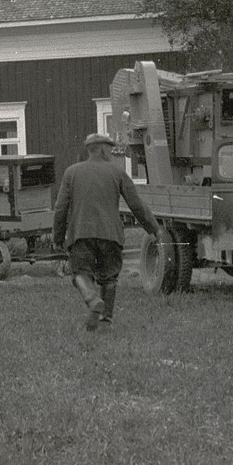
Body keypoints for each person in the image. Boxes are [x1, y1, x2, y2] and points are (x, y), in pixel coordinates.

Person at [53, 133, 161, 331]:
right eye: (109, 149)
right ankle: (105, 321)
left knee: (80, 272)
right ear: (102, 150)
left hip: (80, 234)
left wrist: (58, 236)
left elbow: (61, 208)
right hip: (110, 234)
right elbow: (136, 205)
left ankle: (92, 299)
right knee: (109, 278)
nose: (111, 152)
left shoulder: (71, 172)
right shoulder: (117, 172)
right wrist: (153, 228)